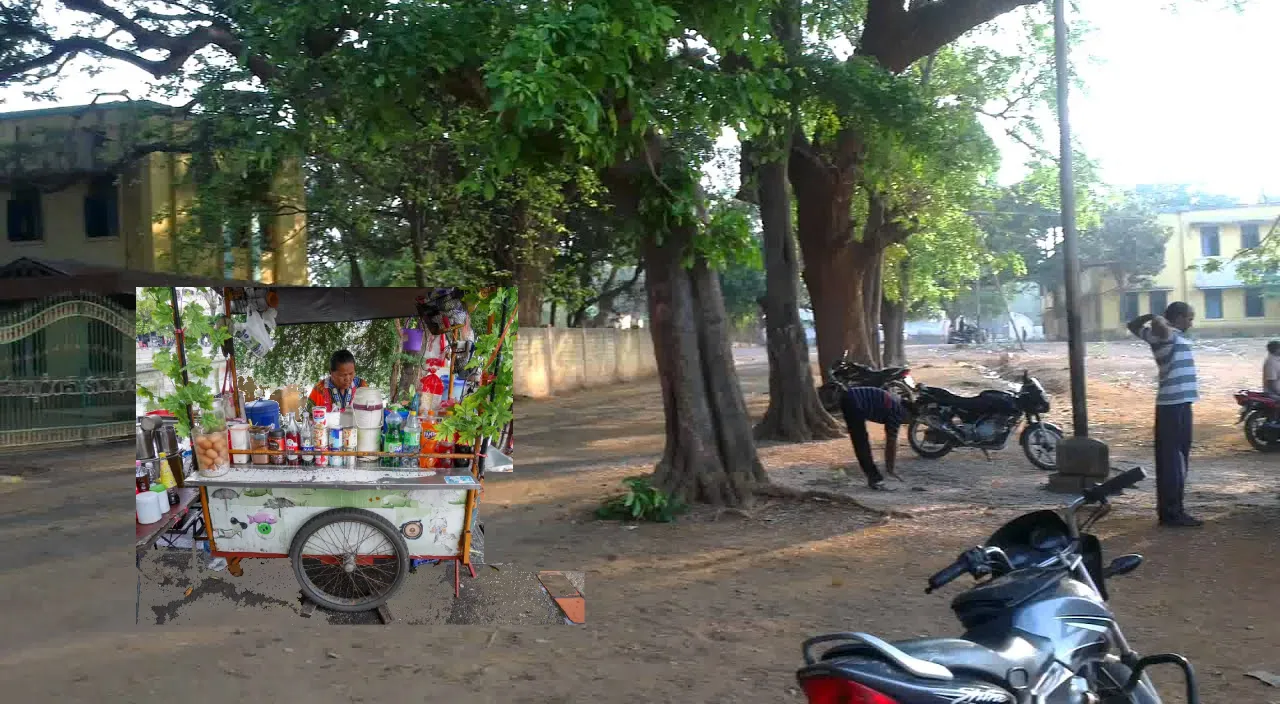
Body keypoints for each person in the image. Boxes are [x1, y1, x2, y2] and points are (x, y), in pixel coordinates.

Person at [1127, 302, 1202, 528]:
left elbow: (1133, 325)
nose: (1191, 322)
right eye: (1189, 317)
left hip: (1179, 404)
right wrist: (1157, 316)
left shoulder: (1161, 336)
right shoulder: (1165, 335)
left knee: (1177, 459)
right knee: (1173, 461)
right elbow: (1154, 324)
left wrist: (1152, 317)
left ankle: (1172, 510)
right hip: (1173, 405)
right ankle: (1172, 513)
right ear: (1177, 318)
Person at [839, 385, 914, 491]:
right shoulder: (898, 413)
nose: (908, 423)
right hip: (853, 401)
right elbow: (891, 443)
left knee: (861, 441)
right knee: (861, 442)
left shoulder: (896, 402)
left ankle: (874, 477)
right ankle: (874, 478)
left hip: (851, 397)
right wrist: (890, 469)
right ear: (908, 414)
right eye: (910, 420)